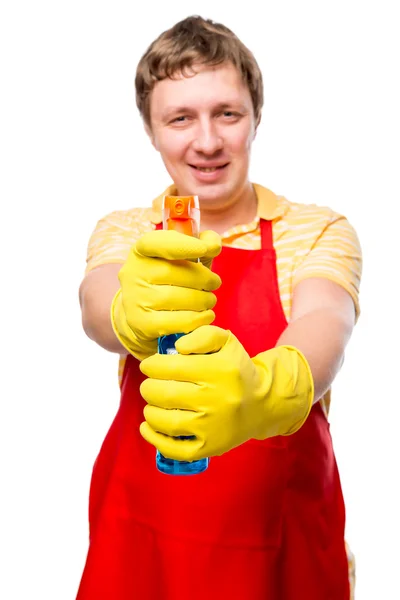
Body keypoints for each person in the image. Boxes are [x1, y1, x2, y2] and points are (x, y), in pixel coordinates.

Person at [77, 15, 362, 600]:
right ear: (152, 131)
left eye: (226, 113)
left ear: (255, 117)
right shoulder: (127, 230)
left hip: (279, 551)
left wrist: (267, 390)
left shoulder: (315, 229)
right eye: (180, 118)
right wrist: (130, 311)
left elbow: (325, 322)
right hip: (140, 545)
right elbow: (97, 304)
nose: (206, 141)